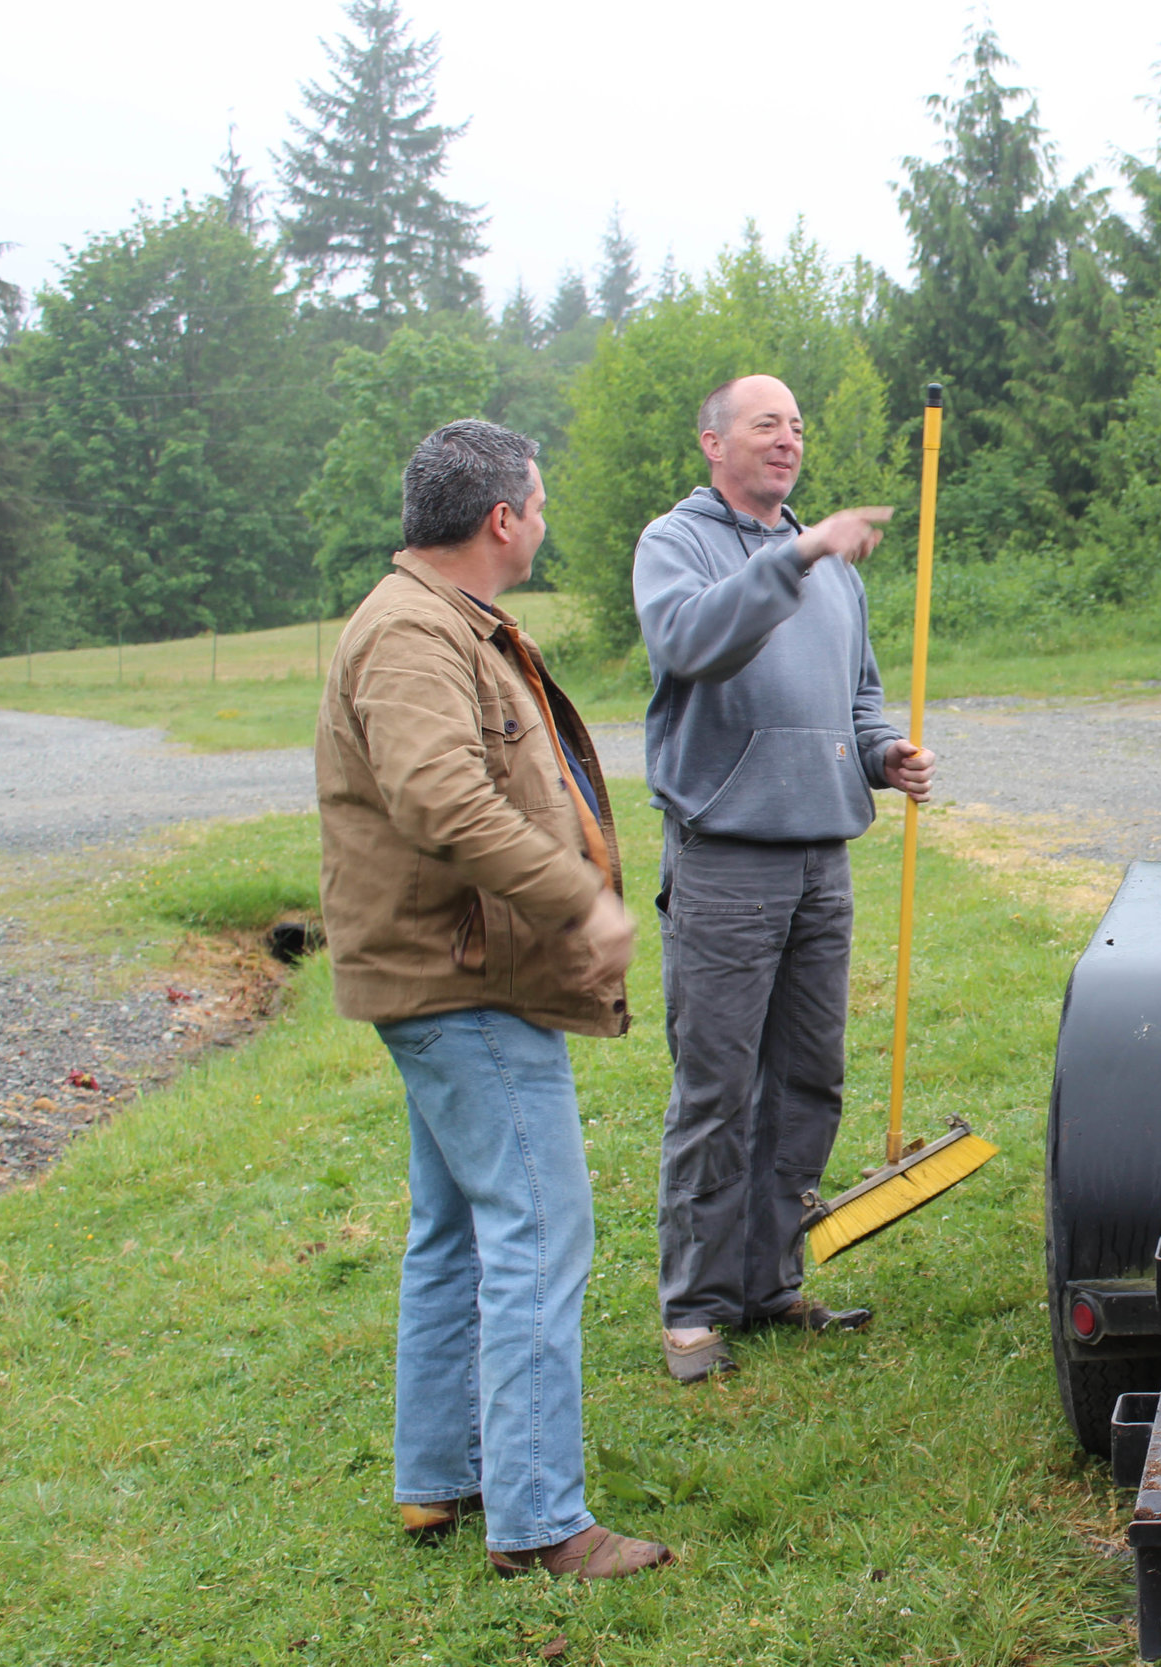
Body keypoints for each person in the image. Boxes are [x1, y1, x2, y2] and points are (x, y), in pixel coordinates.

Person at [316, 419, 669, 1579]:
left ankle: (442, 1479)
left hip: (446, 969)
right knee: (537, 1226)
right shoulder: (414, 631)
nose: (546, 518)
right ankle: (539, 1519)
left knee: (458, 1226)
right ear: (501, 519)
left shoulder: (432, 616)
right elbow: (440, 801)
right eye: (542, 501)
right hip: (461, 979)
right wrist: (580, 896)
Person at [634, 374, 937, 1384]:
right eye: (767, 422)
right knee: (716, 1084)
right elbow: (691, 639)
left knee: (808, 1079)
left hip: (821, 853)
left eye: (798, 424)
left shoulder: (833, 568)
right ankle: (694, 1307)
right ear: (712, 439)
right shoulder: (676, 545)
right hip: (724, 851)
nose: (788, 438)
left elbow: (857, 696)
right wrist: (798, 552)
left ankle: (767, 1282)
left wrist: (882, 753)